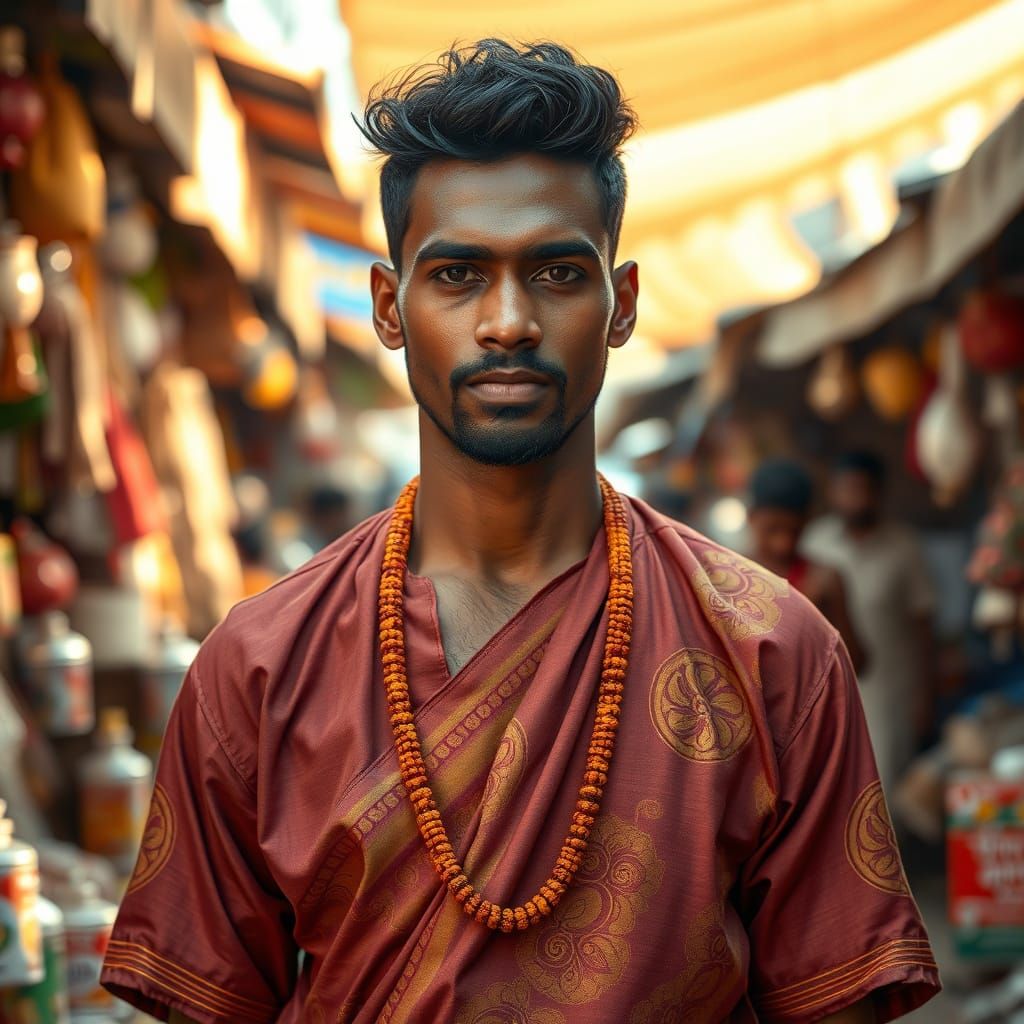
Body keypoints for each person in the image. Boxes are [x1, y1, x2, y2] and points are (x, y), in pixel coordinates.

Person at [100, 42, 939, 1023]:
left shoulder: (769, 651)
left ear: (620, 304)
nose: (507, 322)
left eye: (555, 272)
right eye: (457, 273)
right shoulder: (257, 668)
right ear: (388, 306)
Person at [802, 451, 937, 796]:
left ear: (878, 494)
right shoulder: (815, 541)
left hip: (890, 691)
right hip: (826, 691)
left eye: (863, 489)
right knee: (833, 789)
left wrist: (925, 695)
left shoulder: (903, 547)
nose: (855, 498)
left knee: (884, 788)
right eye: (846, 489)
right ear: (833, 493)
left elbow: (924, 623)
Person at [747, 457, 866, 672]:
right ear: (751, 518)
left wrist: (822, 619)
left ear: (808, 521)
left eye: (795, 531)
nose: (783, 544)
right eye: (772, 530)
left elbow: (857, 664)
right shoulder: (725, 577)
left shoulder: (825, 579)